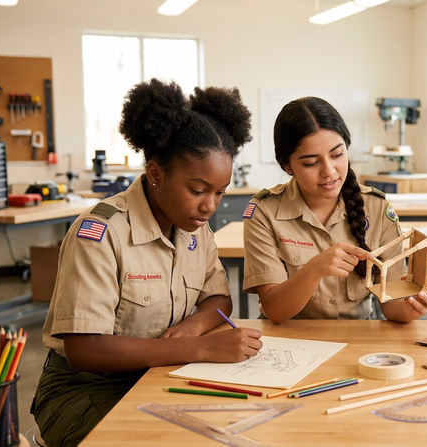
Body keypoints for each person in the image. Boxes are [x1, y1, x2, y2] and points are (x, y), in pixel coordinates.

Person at [31, 79, 262, 446]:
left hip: (163, 372)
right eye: (198, 190)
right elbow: (84, 349)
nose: (210, 206)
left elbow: (218, 300)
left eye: (220, 192)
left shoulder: (193, 228)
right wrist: (199, 348)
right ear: (155, 174)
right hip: (87, 389)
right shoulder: (100, 233)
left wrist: (194, 327)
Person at [242, 96, 427, 323]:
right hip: (290, 343)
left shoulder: (376, 207)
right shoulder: (264, 212)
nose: (329, 171)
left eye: (337, 155)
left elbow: (392, 308)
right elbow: (275, 310)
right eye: (310, 163)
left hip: (356, 341)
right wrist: (314, 269)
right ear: (287, 166)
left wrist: (411, 307)